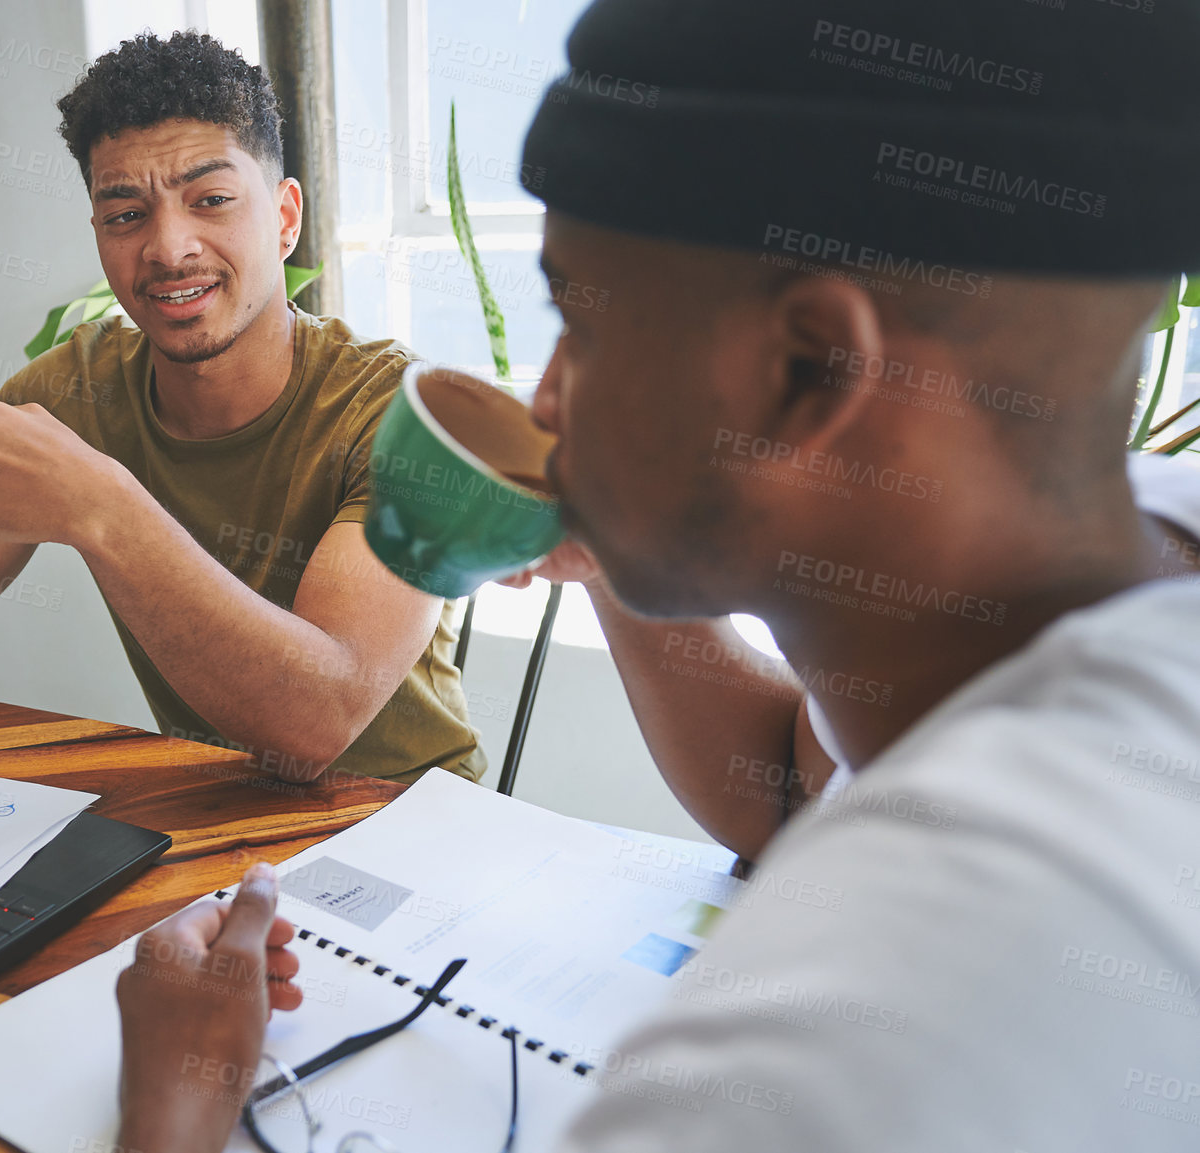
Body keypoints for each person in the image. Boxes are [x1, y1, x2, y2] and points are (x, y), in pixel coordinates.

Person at [107, 0, 1200, 1148]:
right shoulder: (1139, 527)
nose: (545, 396)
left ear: (810, 365)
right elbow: (788, 792)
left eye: (580, 318)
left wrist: (176, 1100)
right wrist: (626, 548)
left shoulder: (843, 1048)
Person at [0, 32, 483, 786]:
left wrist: (97, 503)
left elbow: (317, 720)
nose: (168, 247)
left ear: (285, 218)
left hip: (415, 834)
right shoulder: (74, 392)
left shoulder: (403, 415)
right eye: (125, 214)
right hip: (223, 822)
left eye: (212, 200)